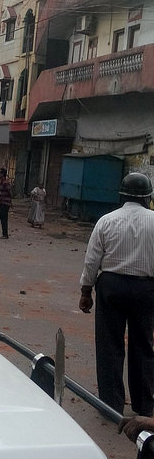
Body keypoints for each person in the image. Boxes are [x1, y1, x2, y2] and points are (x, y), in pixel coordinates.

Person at [79, 172, 154, 417]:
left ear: (122, 195)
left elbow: (92, 260)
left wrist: (86, 291)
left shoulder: (106, 221)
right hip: (146, 289)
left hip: (111, 287)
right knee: (143, 346)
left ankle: (111, 405)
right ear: (147, 197)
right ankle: (144, 406)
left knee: (109, 345)